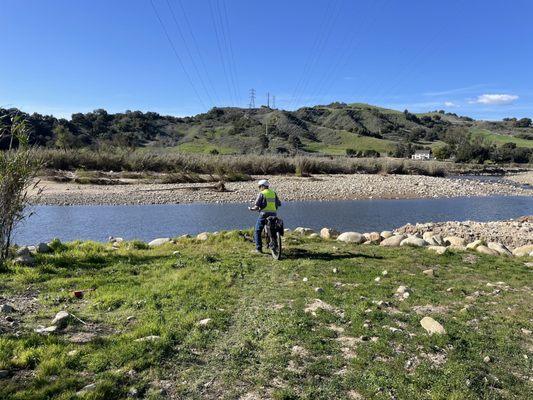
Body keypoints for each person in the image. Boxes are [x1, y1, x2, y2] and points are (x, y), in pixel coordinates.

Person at [248, 179, 281, 253]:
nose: (259, 188)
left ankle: (258, 248)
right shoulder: (273, 193)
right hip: (273, 214)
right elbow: (279, 204)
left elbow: (256, 206)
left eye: (259, 187)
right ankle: (274, 242)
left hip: (264, 214)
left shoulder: (262, 193)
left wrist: (251, 209)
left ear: (262, 186)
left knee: (257, 230)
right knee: (273, 228)